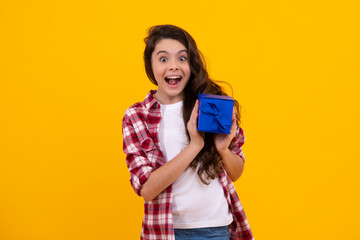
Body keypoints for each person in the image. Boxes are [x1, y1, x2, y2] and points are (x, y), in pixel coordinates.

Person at [122, 24, 254, 240]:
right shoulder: (137, 115)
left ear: (191, 64)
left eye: (182, 58)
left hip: (217, 228)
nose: (173, 66)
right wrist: (194, 145)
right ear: (150, 65)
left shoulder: (211, 105)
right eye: (163, 59)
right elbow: (147, 190)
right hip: (166, 231)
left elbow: (236, 172)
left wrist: (222, 149)